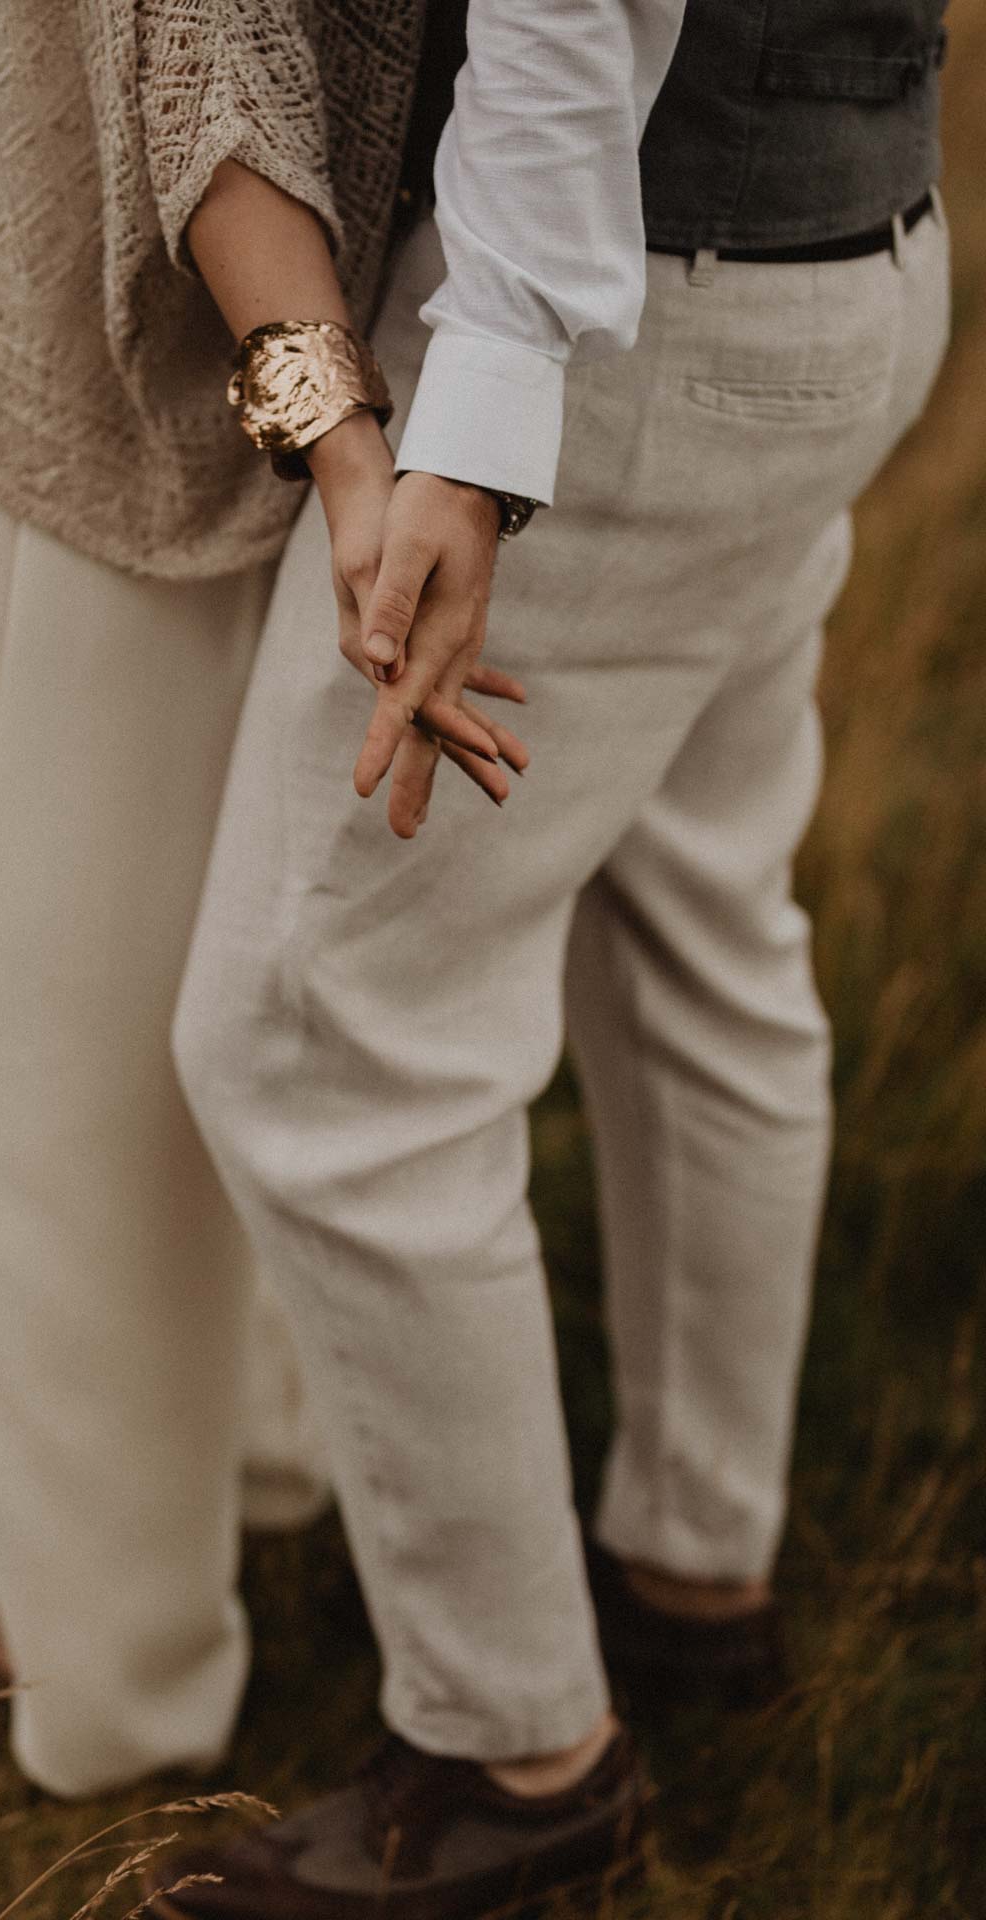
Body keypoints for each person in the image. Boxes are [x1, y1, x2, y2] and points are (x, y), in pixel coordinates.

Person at [161, 0, 952, 1909]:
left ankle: (519, 1751)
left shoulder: (539, 353)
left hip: (621, 321)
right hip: (854, 260)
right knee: (703, 922)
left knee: (325, 1042)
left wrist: (480, 414)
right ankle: (696, 1575)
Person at [0, 0, 524, 1797]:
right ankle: (99, 1662)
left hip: (274, 366)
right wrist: (346, 445)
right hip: (38, 343)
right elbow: (212, 50)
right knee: (16, 1064)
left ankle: (140, 1524)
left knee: (109, 1038)